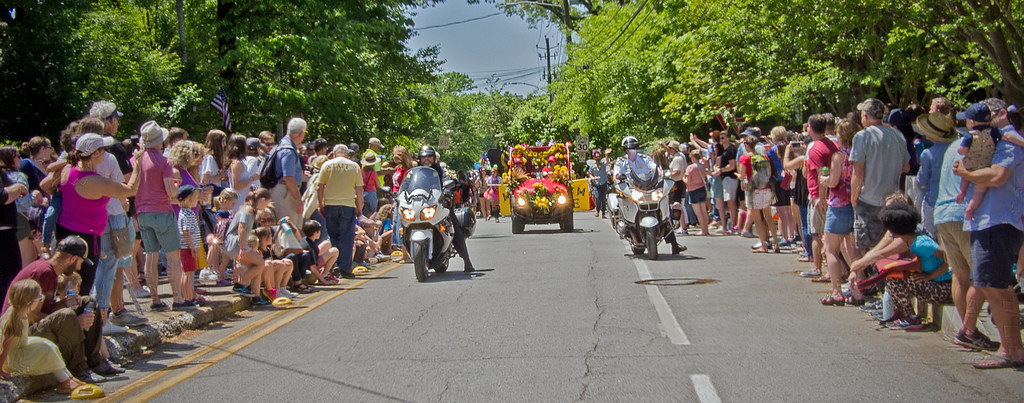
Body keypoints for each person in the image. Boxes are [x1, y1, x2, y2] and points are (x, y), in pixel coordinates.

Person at [954, 97, 1024, 369]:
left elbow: (997, 177)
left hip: (998, 222)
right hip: (989, 221)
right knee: (990, 285)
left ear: (1002, 114)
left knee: (997, 288)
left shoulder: (1008, 141)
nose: (973, 123)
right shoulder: (998, 140)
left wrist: (966, 174)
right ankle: (1011, 349)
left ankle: (1011, 351)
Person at [7, 236, 122, 380]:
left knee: (87, 302)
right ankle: (80, 370)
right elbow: (29, 315)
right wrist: (74, 322)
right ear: (72, 259)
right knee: (67, 315)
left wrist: (62, 304)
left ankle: (95, 362)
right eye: (80, 262)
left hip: (37, 324)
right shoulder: (43, 273)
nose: (80, 268)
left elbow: (44, 310)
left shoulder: (51, 271)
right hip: (22, 332)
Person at [849, 202, 952, 325]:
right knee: (894, 276)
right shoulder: (908, 240)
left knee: (907, 280)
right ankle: (903, 313)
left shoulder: (921, 243)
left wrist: (931, 276)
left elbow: (949, 260)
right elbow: (879, 252)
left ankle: (910, 318)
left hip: (944, 286)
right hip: (935, 284)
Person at [135, 121, 186, 312]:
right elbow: (170, 191)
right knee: (172, 256)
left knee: (150, 256)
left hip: (142, 211)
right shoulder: (164, 162)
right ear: (160, 141)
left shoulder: (137, 160)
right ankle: (178, 298)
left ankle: (155, 299)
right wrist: (176, 186)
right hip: (162, 211)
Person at [0, 279, 86, 394]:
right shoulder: (14, 320)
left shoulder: (21, 312)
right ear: (31, 302)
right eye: (39, 299)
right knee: (46, 350)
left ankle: (68, 377)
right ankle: (65, 380)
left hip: (19, 347)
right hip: (14, 359)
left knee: (48, 344)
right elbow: (5, 347)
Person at [849, 98, 911, 251]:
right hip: (892, 200)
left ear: (865, 116)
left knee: (869, 249)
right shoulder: (898, 135)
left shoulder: (862, 136)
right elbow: (906, 167)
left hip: (868, 199)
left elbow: (858, 171)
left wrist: (853, 196)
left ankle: (872, 275)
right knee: (889, 248)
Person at [612, 136, 686, 255]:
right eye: (629, 148)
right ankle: (626, 226)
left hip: (648, 188)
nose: (632, 150)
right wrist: (618, 179)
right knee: (622, 201)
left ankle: (674, 245)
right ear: (625, 149)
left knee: (664, 214)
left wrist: (662, 174)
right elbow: (616, 175)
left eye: (634, 147)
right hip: (632, 189)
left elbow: (655, 169)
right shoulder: (621, 161)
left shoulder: (645, 159)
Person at [819, 121, 864, 305]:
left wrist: (824, 179)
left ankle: (837, 291)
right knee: (852, 252)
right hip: (856, 203)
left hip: (838, 204)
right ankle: (858, 291)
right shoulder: (860, 154)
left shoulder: (839, 155)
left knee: (831, 250)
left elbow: (834, 181)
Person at [955, 102, 1024, 220]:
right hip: (991, 219)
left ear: (1002, 113)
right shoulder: (995, 134)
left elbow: (997, 178)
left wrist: (964, 172)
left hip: (996, 220)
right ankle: (969, 205)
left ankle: (966, 201)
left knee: (974, 185)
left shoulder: (1003, 140)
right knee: (978, 189)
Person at [417, 146, 477, 270]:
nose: (426, 159)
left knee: (453, 227)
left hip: (440, 204)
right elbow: (409, 184)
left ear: (434, 158)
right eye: (424, 157)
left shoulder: (439, 170)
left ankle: (467, 261)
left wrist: (449, 186)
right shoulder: (417, 171)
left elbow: (447, 179)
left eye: (429, 157)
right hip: (421, 205)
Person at [317, 147, 364, 279]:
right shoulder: (354, 166)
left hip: (330, 204)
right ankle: (345, 268)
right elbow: (359, 189)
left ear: (334, 153)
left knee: (333, 236)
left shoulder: (327, 165)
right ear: (347, 154)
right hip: (348, 205)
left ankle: (334, 264)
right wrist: (359, 206)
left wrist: (320, 204)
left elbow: (320, 187)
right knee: (347, 237)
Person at [224, 189, 270, 305]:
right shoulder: (248, 210)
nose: (266, 206)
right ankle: (240, 284)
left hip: (236, 243)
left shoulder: (246, 208)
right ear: (262, 200)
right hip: (236, 243)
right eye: (267, 203)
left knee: (257, 266)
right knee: (260, 263)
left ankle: (255, 295)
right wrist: (243, 248)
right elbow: (242, 228)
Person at [736, 136, 778, 253]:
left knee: (757, 219)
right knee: (768, 217)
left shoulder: (745, 158)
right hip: (766, 188)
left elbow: (743, 176)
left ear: (746, 146)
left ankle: (763, 245)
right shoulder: (764, 157)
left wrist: (738, 175)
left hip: (753, 190)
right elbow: (769, 173)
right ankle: (775, 243)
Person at [272, 118, 306, 228]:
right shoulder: (289, 151)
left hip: (284, 190)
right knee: (289, 228)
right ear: (301, 133)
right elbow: (289, 178)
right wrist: (298, 200)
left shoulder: (282, 145)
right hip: (286, 191)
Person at [176, 186, 202, 306]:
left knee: (187, 272)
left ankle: (187, 296)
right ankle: (187, 297)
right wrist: (192, 247)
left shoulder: (185, 213)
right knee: (188, 273)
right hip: (188, 248)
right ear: (190, 200)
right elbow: (186, 232)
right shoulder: (188, 214)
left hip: (186, 247)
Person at [712, 132, 739, 234]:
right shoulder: (725, 150)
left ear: (728, 138)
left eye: (723, 138)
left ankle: (733, 226)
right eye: (719, 138)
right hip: (726, 179)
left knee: (731, 202)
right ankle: (732, 225)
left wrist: (721, 170)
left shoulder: (731, 150)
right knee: (729, 202)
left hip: (730, 178)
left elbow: (732, 165)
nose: (721, 140)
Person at [684, 149, 709, 235]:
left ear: (693, 158)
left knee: (698, 212)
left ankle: (703, 230)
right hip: (702, 188)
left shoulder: (690, 168)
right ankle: (706, 229)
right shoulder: (702, 166)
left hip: (693, 190)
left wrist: (683, 178)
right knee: (704, 210)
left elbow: (687, 181)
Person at [587, 149, 610, 219]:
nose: (598, 158)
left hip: (603, 183)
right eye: (596, 157)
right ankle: (597, 210)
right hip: (596, 184)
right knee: (597, 198)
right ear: (594, 158)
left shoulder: (603, 164)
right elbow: (589, 173)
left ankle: (603, 213)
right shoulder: (592, 166)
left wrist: (606, 154)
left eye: (599, 157)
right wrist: (593, 177)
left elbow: (607, 162)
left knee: (603, 199)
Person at [360, 152, 380, 217]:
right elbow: (378, 185)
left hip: (362, 193)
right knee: (376, 211)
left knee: (366, 214)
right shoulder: (373, 173)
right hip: (371, 193)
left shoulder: (361, 170)